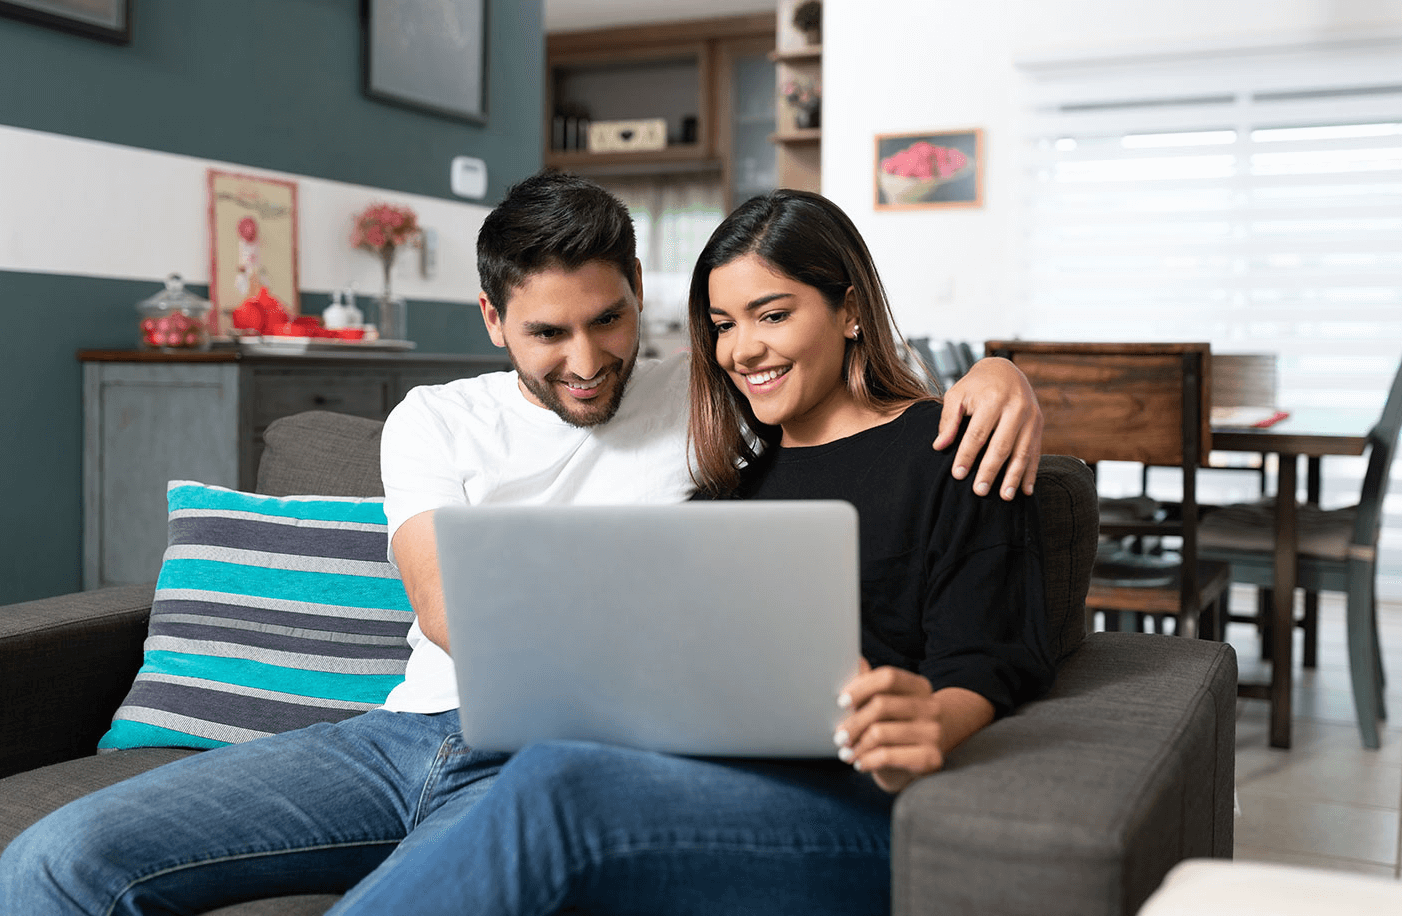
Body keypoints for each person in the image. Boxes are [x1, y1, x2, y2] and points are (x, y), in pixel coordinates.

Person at [0, 173, 1045, 915]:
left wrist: (1003, 372)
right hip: (412, 733)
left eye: (612, 320)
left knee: (555, 789)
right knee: (57, 860)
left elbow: (973, 629)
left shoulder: (721, 411)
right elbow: (454, 614)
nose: (588, 360)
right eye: (549, 333)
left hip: (585, 760)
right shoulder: (472, 423)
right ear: (493, 319)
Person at [320, 188, 1055, 914]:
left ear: (851, 308)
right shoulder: (724, 471)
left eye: (774, 314)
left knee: (554, 783)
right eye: (722, 324)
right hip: (698, 786)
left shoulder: (951, 450)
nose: (744, 349)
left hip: (855, 803)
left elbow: (992, 659)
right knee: (554, 774)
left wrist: (1004, 371)